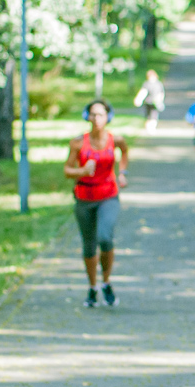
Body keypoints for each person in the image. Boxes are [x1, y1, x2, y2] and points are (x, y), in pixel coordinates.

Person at [64, 99, 129, 308]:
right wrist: (81, 171)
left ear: (108, 117)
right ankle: (93, 287)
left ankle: (107, 281)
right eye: (93, 114)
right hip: (84, 198)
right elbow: (67, 170)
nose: (96, 118)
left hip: (108, 195)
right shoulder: (78, 142)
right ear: (87, 117)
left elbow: (125, 153)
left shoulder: (116, 140)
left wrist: (122, 173)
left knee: (105, 237)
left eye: (101, 114)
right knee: (89, 245)